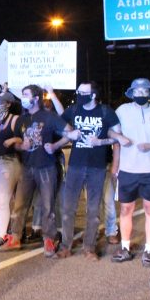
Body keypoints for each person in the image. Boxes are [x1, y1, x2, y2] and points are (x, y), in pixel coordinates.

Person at [0, 84, 79, 254]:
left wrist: (55, 146)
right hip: (27, 167)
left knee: (47, 206)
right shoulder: (21, 119)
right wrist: (21, 146)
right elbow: (19, 144)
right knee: (19, 205)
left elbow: (70, 132)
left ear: (35, 99)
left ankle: (49, 239)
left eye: (26, 95)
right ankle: (15, 238)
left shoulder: (49, 117)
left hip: (47, 168)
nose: (23, 98)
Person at [54, 81, 119, 260]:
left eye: (82, 92)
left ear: (93, 95)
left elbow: (117, 137)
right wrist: (51, 93)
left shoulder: (106, 112)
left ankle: (89, 247)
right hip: (75, 165)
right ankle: (66, 246)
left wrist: (101, 142)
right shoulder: (75, 110)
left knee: (93, 210)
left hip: (97, 168)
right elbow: (61, 119)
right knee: (68, 208)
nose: (78, 94)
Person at [109, 78, 150, 267]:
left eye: (144, 91)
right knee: (126, 209)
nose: (141, 95)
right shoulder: (122, 111)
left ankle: (149, 250)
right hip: (128, 169)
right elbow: (110, 132)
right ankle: (125, 247)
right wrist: (119, 137)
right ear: (131, 93)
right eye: (137, 92)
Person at [0, 90, 21, 248]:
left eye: (0, 102)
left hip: (9, 161)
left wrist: (14, 139)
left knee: (5, 199)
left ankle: (3, 235)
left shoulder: (15, 120)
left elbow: (25, 139)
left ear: (8, 104)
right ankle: (4, 229)